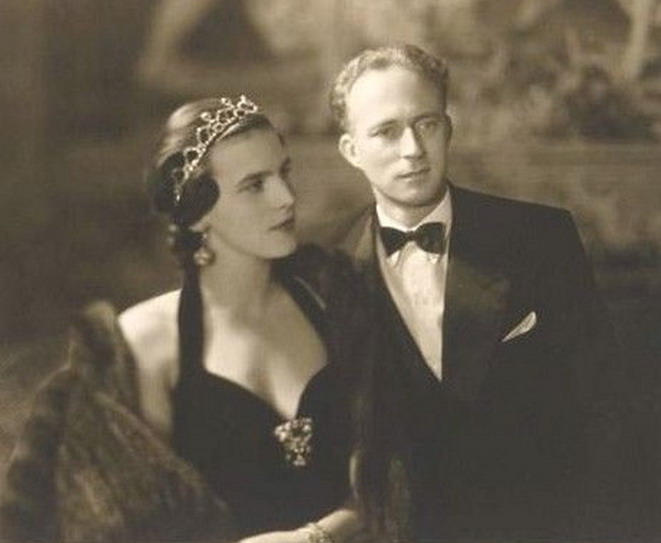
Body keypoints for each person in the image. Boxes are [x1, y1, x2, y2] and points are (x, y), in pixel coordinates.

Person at [0, 96, 370, 543]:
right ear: (197, 211)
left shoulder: (331, 300)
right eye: (255, 185)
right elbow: (131, 523)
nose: (286, 198)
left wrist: (318, 535)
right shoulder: (146, 343)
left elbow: (389, 465)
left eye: (284, 172)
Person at [329, 44, 621, 541]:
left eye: (426, 124)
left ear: (448, 129)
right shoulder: (320, 261)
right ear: (351, 150)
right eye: (386, 131)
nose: (412, 149)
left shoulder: (540, 239)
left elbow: (601, 406)